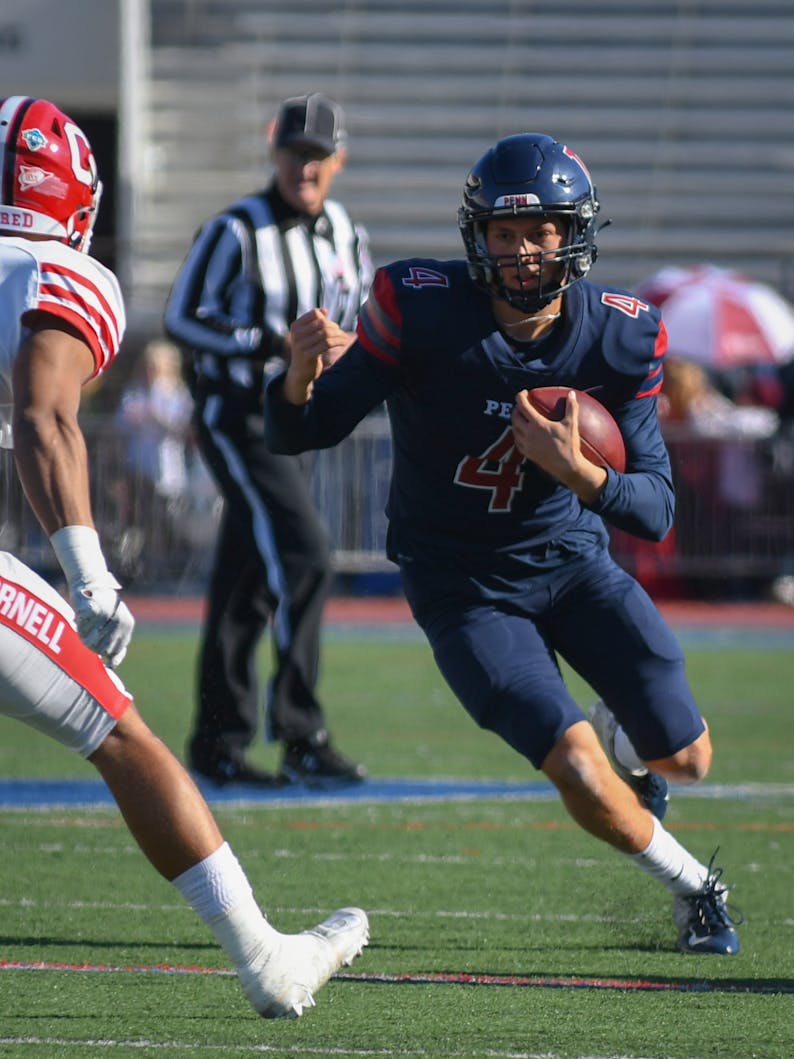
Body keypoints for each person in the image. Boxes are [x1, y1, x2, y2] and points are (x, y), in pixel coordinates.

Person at [264, 132, 743, 955]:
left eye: (541, 231)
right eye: (504, 233)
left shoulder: (621, 336)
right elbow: (299, 429)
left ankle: (627, 735)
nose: (522, 251)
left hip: (573, 564)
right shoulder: (416, 305)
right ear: (475, 236)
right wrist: (300, 373)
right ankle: (697, 886)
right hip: (463, 588)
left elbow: (656, 510)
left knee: (688, 757)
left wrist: (581, 474)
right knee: (581, 768)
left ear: (573, 234)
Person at [0, 94, 368, 1020]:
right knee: (122, 734)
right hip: (239, 421)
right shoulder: (58, 269)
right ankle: (265, 958)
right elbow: (45, 416)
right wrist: (88, 573)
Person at [164, 93, 372, 788]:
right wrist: (262, 344)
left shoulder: (346, 231)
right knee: (306, 551)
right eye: (293, 153)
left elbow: (360, 318)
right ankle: (300, 729)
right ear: (272, 150)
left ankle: (217, 741)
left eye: (316, 156)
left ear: (337, 160)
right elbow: (180, 318)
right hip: (238, 413)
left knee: (247, 578)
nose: (303, 168)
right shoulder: (237, 230)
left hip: (296, 417)